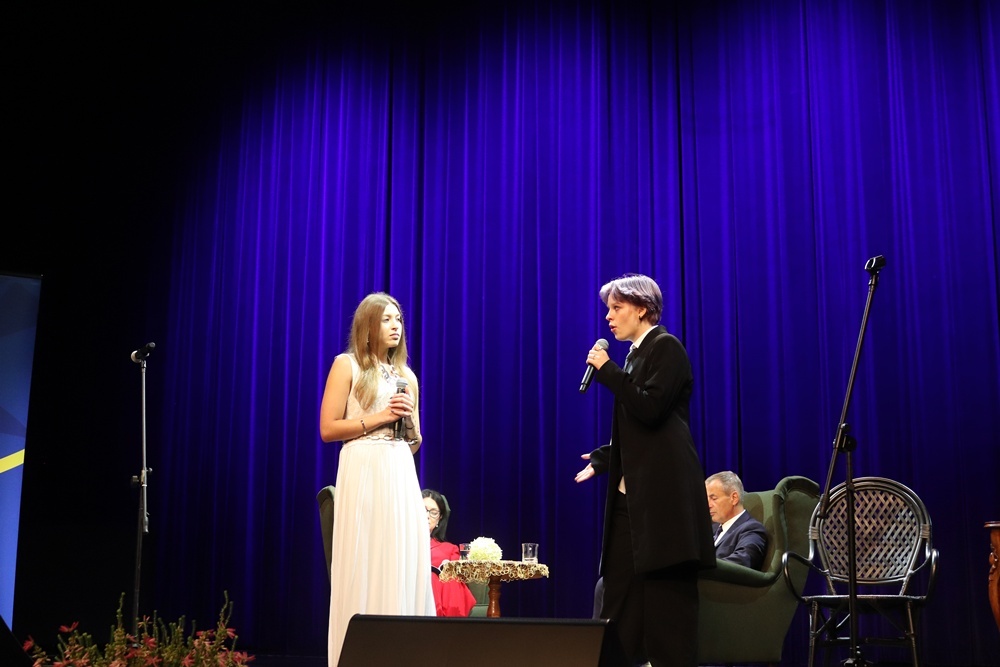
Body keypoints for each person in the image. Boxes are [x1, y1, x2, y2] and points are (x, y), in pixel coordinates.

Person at [575, 273, 715, 667]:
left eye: (616, 308)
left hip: (663, 499)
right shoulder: (635, 355)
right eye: (608, 309)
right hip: (632, 498)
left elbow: (651, 409)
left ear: (641, 309)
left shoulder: (666, 347)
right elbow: (638, 428)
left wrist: (607, 371)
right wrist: (605, 458)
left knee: (667, 604)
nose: (608, 317)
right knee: (617, 594)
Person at [320, 292, 435, 667]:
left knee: (400, 558)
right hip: (364, 466)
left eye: (398, 319)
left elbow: (414, 443)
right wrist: (382, 417)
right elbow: (328, 429)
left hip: (399, 469)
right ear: (368, 327)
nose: (395, 326)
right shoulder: (347, 365)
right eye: (386, 319)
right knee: (366, 558)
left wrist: (410, 423)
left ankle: (404, 654)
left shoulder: (407, 377)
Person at [422, 488, 477, 617]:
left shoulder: (450, 549)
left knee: (450, 578)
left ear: (439, 519)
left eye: (433, 512)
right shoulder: (401, 545)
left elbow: (460, 577)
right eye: (423, 510)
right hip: (412, 592)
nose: (427, 516)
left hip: (443, 601)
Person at [706, 471, 768, 570]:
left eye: (713, 498)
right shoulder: (711, 529)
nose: (708, 505)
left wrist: (702, 569)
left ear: (734, 498)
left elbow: (743, 561)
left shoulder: (751, 529)